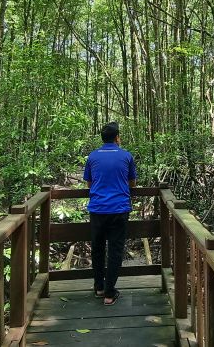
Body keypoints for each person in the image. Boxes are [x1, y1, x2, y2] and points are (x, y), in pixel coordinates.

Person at [83, 121, 137, 305]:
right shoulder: (126, 156)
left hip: (97, 209)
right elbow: (132, 184)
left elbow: (89, 184)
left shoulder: (92, 156)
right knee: (115, 250)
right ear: (117, 138)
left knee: (97, 249)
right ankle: (109, 293)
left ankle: (99, 287)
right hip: (119, 209)